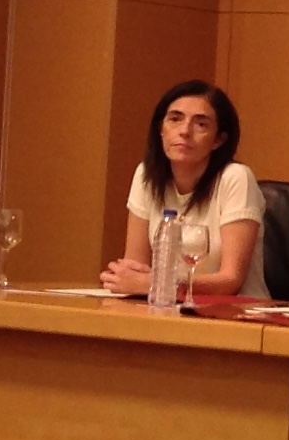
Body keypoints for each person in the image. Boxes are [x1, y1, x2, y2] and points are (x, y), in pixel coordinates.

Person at [100, 80, 267, 299]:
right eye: (175, 119)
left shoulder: (235, 178)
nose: (184, 131)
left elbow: (230, 280)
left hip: (237, 316)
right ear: (161, 129)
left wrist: (156, 283)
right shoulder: (145, 176)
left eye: (200, 124)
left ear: (218, 140)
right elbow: (135, 267)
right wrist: (125, 279)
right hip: (167, 309)